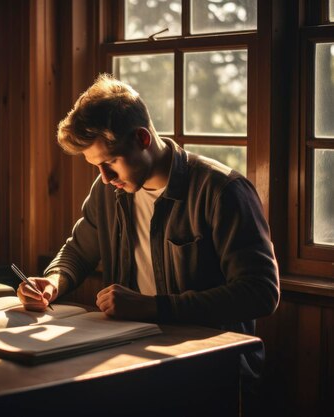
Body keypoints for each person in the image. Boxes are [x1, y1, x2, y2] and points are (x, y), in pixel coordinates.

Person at [16, 73, 280, 379]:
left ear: (142, 139)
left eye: (111, 162)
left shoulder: (223, 191)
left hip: (210, 370)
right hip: (127, 361)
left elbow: (260, 292)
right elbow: (78, 250)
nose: (104, 177)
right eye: (96, 166)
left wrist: (154, 307)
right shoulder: (107, 191)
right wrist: (53, 282)